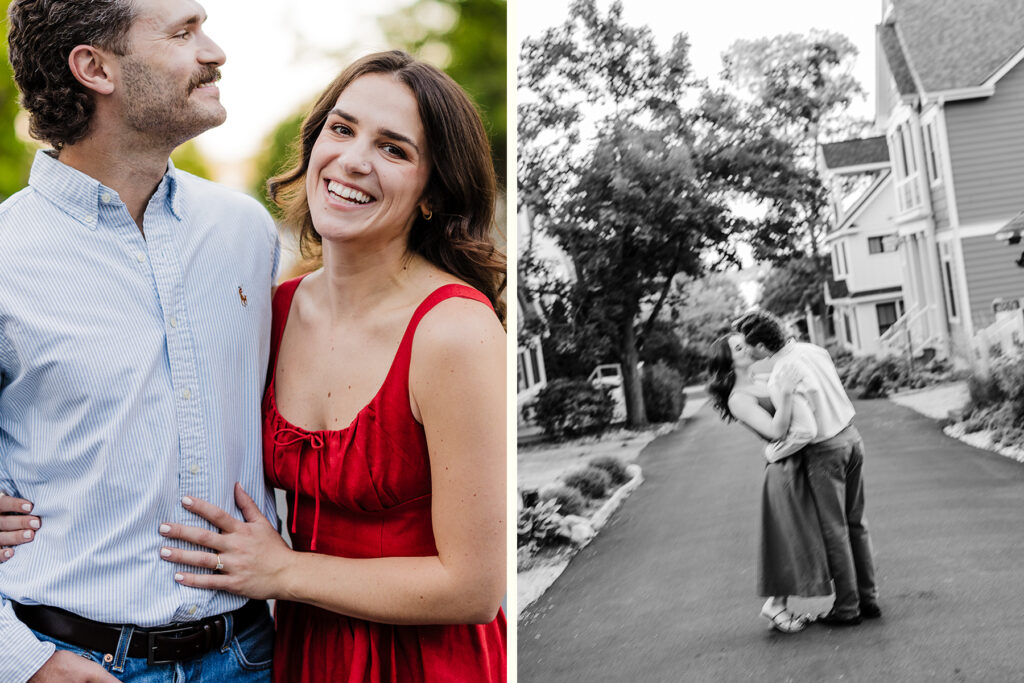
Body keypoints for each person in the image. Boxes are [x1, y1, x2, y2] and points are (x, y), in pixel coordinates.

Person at [152, 51, 506, 681]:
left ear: (432, 194)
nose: (353, 161)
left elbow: (474, 586)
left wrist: (284, 571)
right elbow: (170, 412)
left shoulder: (454, 331)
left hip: (424, 660)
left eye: (394, 149)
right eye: (341, 130)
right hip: (301, 652)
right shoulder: (276, 310)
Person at [0, 0, 280, 680]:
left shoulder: (246, 234)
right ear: (94, 67)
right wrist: (25, 663)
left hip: (254, 655)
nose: (214, 51)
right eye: (184, 33)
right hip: (72, 664)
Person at [734, 310, 881, 626]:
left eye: (749, 346)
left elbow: (804, 431)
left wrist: (774, 453)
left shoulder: (782, 373)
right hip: (852, 437)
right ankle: (868, 599)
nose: (750, 353)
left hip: (826, 452)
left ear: (761, 346)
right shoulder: (813, 350)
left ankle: (847, 608)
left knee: (835, 530)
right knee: (857, 523)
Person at [706, 333, 832, 633]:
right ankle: (775, 605)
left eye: (745, 342)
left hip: (802, 460)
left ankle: (780, 604)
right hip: (783, 470)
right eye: (738, 347)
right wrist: (786, 394)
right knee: (788, 539)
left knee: (804, 534)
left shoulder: (763, 377)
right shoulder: (738, 398)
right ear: (728, 361)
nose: (747, 347)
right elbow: (776, 432)